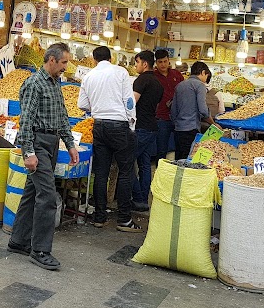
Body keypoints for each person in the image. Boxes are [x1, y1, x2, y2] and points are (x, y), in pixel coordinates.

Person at [8, 43, 78, 271]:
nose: (66, 67)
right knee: (47, 196)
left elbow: (62, 115)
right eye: (64, 62)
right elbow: (26, 120)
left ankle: (18, 240)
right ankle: (40, 250)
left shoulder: (55, 82)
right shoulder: (34, 84)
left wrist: (70, 144)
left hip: (52, 142)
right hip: (37, 143)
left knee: (31, 194)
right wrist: (28, 152)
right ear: (51, 60)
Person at [77, 45, 141, 232]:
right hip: (119, 125)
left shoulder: (88, 76)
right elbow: (129, 101)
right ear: (111, 58)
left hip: (99, 125)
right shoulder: (120, 72)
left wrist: (96, 107)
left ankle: (99, 217)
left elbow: (82, 104)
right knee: (125, 171)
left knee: (101, 172)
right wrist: (131, 124)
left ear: (94, 59)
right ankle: (124, 220)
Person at [130, 50, 164, 212]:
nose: (135, 65)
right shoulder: (158, 83)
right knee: (144, 165)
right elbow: (154, 106)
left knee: (127, 161)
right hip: (152, 127)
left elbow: (131, 105)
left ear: (144, 64)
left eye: (137, 62)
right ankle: (143, 200)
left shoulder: (141, 81)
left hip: (141, 128)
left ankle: (137, 198)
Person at [170, 61, 216, 161]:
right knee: (188, 160)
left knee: (178, 160)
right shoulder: (200, 85)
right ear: (203, 72)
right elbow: (203, 110)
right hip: (190, 129)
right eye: (206, 76)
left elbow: (173, 110)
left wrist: (176, 125)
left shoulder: (180, 85)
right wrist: (213, 124)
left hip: (178, 130)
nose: (205, 80)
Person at [152, 48, 184, 160]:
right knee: (161, 149)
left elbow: (184, 92)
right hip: (161, 117)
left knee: (179, 147)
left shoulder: (177, 74)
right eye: (160, 62)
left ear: (169, 60)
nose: (163, 64)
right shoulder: (153, 77)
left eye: (165, 61)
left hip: (178, 117)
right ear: (156, 63)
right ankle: (159, 173)